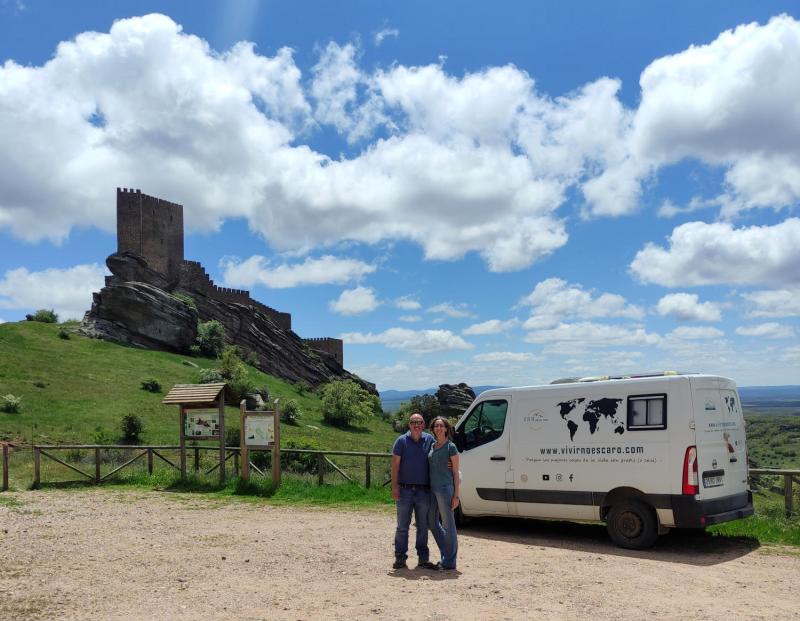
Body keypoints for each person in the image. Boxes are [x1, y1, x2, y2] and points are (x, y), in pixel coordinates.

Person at [391, 412, 438, 570]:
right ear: (409, 425)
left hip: (423, 491)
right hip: (404, 490)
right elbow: (395, 465)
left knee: (423, 527)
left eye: (419, 422)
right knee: (402, 526)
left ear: (424, 424)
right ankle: (400, 558)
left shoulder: (430, 440)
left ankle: (423, 560)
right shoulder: (401, 441)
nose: (416, 425)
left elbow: (438, 457)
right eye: (413, 422)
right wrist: (394, 486)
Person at [427, 416, 460, 571]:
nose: (439, 428)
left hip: (445, 489)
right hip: (432, 489)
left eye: (441, 426)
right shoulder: (432, 446)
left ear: (446, 429)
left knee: (448, 525)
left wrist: (456, 496)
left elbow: (455, 472)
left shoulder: (450, 447)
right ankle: (445, 553)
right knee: (431, 522)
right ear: (433, 429)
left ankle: (450, 561)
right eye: (436, 426)